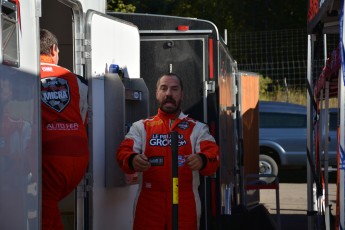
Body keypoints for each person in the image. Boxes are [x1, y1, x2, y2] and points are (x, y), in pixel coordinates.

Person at [116, 73, 219, 230]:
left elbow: (214, 156)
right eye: (164, 88)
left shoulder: (197, 128)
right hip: (149, 202)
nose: (169, 94)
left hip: (185, 201)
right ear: (157, 93)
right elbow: (123, 153)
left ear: (182, 94)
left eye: (174, 89)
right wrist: (132, 159)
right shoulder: (141, 127)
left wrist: (202, 159)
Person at [40, 29, 89, 230]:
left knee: (42, 213)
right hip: (79, 157)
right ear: (53, 49)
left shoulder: (24, 74)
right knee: (49, 210)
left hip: (50, 156)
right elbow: (83, 116)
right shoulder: (77, 80)